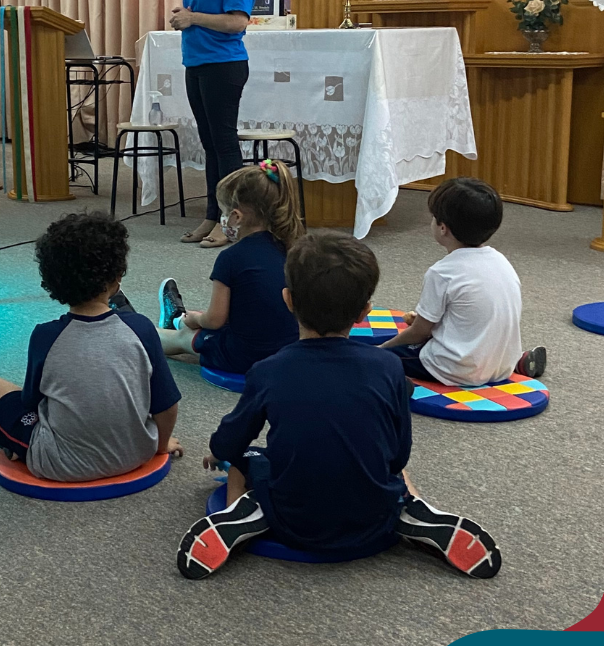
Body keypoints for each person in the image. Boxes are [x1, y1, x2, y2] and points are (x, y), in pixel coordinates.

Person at [176, 230, 502, 581]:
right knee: (392, 471)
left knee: (245, 458)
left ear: (288, 300)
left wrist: (220, 451)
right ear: (365, 311)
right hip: (375, 515)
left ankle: (241, 514)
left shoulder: (268, 370)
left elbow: (231, 439)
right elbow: (398, 454)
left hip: (293, 518)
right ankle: (409, 508)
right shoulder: (389, 367)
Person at [0, 213, 182, 481]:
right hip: (137, 453)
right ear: (116, 277)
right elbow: (167, 405)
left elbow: (31, 402)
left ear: (52, 282)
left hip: (59, 465)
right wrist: (161, 445)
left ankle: (17, 448)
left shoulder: (45, 336)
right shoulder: (142, 328)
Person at [380, 177, 546, 384]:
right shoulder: (502, 261)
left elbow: (419, 333)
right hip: (502, 365)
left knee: (382, 358)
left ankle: (397, 381)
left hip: (455, 369)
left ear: (443, 228)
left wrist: (381, 349)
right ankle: (518, 362)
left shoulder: (442, 273)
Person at [157, 160, 302, 374]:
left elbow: (215, 320)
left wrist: (197, 319)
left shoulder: (230, 258)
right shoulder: (290, 249)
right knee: (217, 317)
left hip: (244, 356)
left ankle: (137, 330)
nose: (222, 219)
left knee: (185, 337)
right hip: (288, 352)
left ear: (236, 217)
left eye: (223, 212)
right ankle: (178, 318)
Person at [172, 0, 258, 248]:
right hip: (196, 63)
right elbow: (197, 13)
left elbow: (237, 21)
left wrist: (193, 18)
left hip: (223, 65)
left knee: (224, 144)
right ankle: (212, 215)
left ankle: (232, 221)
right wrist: (186, 16)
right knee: (210, 145)